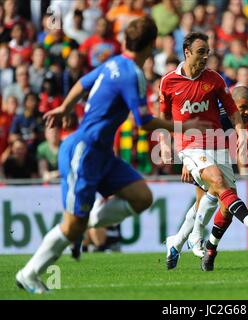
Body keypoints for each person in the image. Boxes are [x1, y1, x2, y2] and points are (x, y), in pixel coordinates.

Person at [15, 17, 208, 294]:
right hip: (83, 152)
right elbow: (142, 120)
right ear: (152, 45)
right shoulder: (133, 74)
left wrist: (65, 108)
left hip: (102, 154)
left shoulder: (113, 63)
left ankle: (91, 219)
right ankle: (29, 273)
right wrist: (182, 126)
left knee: (142, 197)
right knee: (71, 227)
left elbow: (83, 82)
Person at [160, 32, 248, 272]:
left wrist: (241, 132)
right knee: (214, 185)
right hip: (189, 147)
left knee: (221, 200)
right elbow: (166, 117)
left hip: (216, 146)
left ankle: (190, 244)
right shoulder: (169, 82)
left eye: (208, 52)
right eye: (201, 52)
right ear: (187, 52)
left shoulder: (215, 82)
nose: (205, 57)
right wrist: (174, 151)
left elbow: (234, 111)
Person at [170, 86, 248, 260]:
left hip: (220, 151)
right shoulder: (214, 112)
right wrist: (187, 163)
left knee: (217, 203)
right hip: (199, 151)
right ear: (231, 105)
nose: (247, 112)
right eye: (242, 108)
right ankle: (193, 238)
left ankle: (176, 245)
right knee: (208, 198)